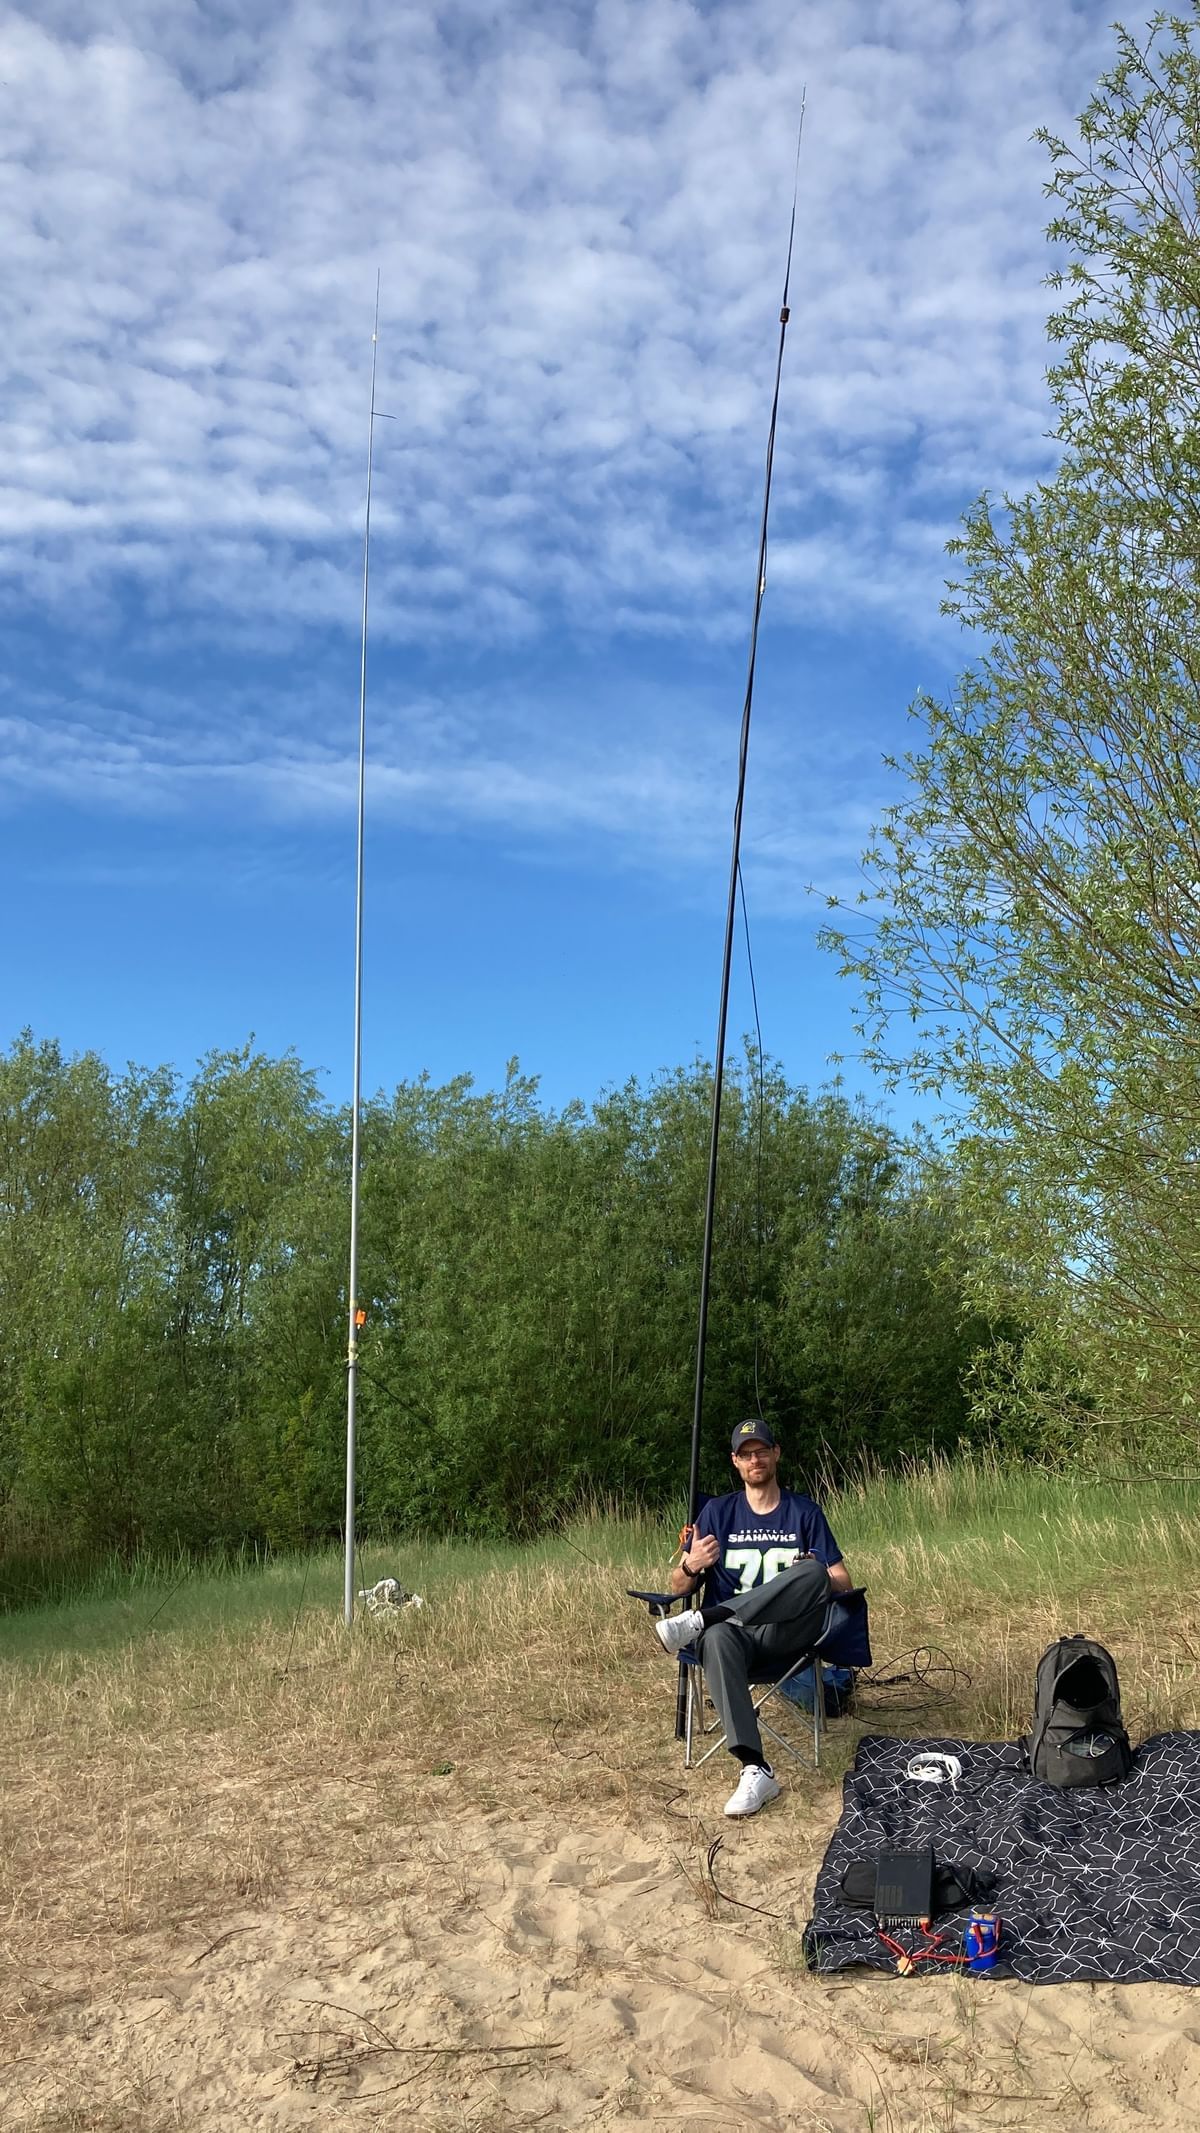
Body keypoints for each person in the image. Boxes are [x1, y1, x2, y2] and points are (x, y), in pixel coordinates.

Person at [653, 1417, 853, 1818]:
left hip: (787, 1634)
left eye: (761, 1451)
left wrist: (810, 1571)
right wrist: (692, 1564)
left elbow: (843, 1582)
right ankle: (755, 1768)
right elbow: (677, 1586)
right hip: (733, 1640)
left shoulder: (804, 1512)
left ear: (776, 1454)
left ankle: (705, 1617)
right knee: (716, 1638)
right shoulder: (717, 1513)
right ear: (735, 1462)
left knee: (815, 1573)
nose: (755, 1459)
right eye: (746, 1455)